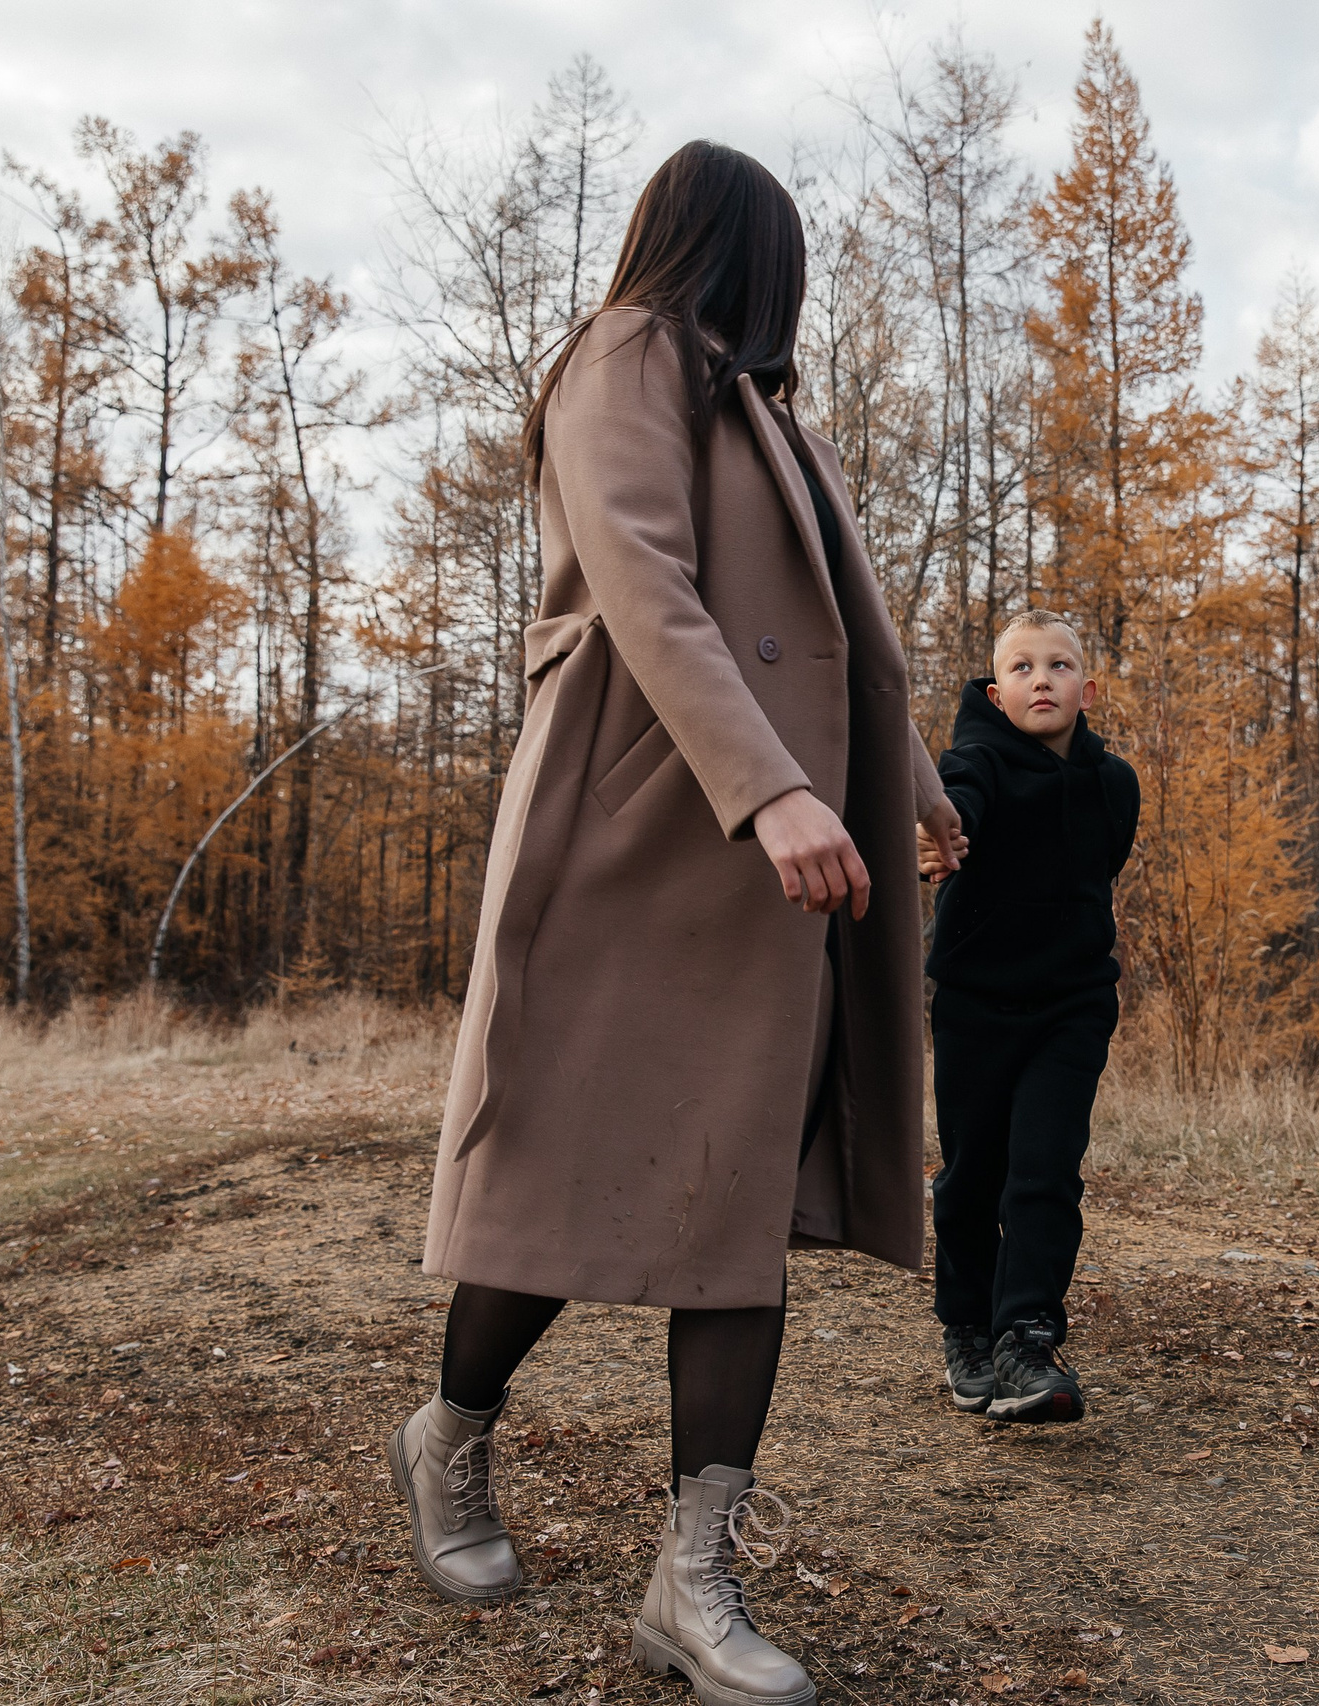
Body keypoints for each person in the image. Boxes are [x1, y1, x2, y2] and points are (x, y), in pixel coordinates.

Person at [391, 141, 967, 1706]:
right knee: (564, 1170)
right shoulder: (624, 353)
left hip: (775, 856)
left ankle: (690, 1581)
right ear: (741, 249)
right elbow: (643, 583)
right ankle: (449, 1437)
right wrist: (770, 789)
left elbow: (841, 645)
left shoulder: (780, 422)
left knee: (734, 1196)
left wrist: (910, 780)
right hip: (640, 829)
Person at [915, 610, 1140, 1424]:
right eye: (1021, 667)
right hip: (976, 1005)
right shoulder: (972, 763)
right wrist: (939, 836)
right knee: (974, 1174)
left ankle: (1027, 1337)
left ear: (1088, 688)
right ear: (995, 692)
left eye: (1058, 665)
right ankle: (969, 1329)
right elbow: (956, 808)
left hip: (1072, 1005)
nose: (1041, 679)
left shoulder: (1114, 783)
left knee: (1045, 1170)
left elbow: (1101, 865)